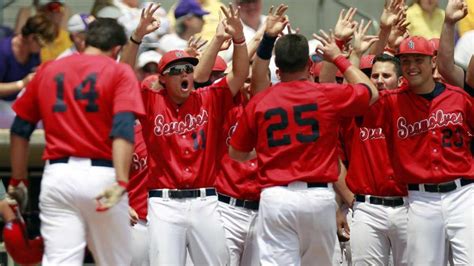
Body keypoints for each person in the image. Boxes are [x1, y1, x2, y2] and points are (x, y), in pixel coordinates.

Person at [229, 6, 379, 265]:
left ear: (278, 69)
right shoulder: (326, 95)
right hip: (317, 197)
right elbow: (371, 92)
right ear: (310, 65)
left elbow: (237, 154)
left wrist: (265, 150)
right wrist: (339, 57)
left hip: (275, 196)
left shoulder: (261, 100)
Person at [7, 18, 145, 265]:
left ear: (85, 40)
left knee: (60, 260)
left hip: (57, 176)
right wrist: (122, 180)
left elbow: (19, 129)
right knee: (116, 261)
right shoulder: (119, 70)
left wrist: (18, 179)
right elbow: (123, 129)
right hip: (101, 178)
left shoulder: (49, 68)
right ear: (116, 50)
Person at [133, 3, 249, 265]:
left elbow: (240, 74)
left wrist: (240, 38)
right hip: (163, 203)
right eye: (175, 70)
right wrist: (136, 37)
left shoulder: (208, 98)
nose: (184, 73)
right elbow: (126, 74)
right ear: (162, 79)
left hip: (205, 200)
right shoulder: (152, 102)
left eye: (188, 68)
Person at [361, 35, 473, 265]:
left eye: (418, 59)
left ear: (433, 61)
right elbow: (360, 98)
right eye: (406, 60)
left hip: (463, 194)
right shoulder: (390, 102)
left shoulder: (459, 98)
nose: (411, 66)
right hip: (421, 199)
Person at [339, 54, 408, 266]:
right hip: (368, 208)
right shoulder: (357, 112)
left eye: (386, 75)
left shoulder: (411, 110)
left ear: (400, 81)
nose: (378, 79)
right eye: (374, 75)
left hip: (408, 206)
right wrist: (351, 200)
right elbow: (335, 160)